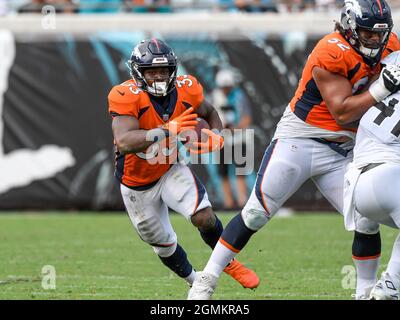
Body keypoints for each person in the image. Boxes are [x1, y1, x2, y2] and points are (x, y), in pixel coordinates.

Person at [188, 0, 400, 300]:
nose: (376, 41)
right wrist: (380, 89)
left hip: (343, 149)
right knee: (256, 212)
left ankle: (364, 292)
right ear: (351, 29)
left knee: (365, 221)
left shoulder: (391, 44)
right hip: (301, 138)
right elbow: (341, 112)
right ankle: (206, 280)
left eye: (380, 34)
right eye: (368, 34)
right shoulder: (331, 51)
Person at [108, 38, 259, 292]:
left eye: (163, 70)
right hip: (136, 184)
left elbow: (209, 112)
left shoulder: (187, 88)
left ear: (172, 70)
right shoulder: (125, 95)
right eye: (151, 71)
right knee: (162, 243)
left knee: (204, 216)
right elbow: (124, 141)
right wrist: (166, 130)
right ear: (138, 72)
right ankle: (195, 281)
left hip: (169, 168)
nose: (158, 76)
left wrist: (217, 134)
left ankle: (227, 262)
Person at [343, 51, 400, 300]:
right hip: (387, 177)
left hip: (356, 181)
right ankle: (390, 284)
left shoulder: (394, 60)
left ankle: (364, 292)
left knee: (367, 227)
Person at [211, 68, 254, 209]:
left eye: (227, 87)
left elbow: (247, 118)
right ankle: (228, 203)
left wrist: (235, 128)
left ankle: (242, 202)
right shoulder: (215, 96)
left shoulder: (239, 96)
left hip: (238, 139)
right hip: (222, 139)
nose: (226, 90)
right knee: (223, 172)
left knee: (240, 171)